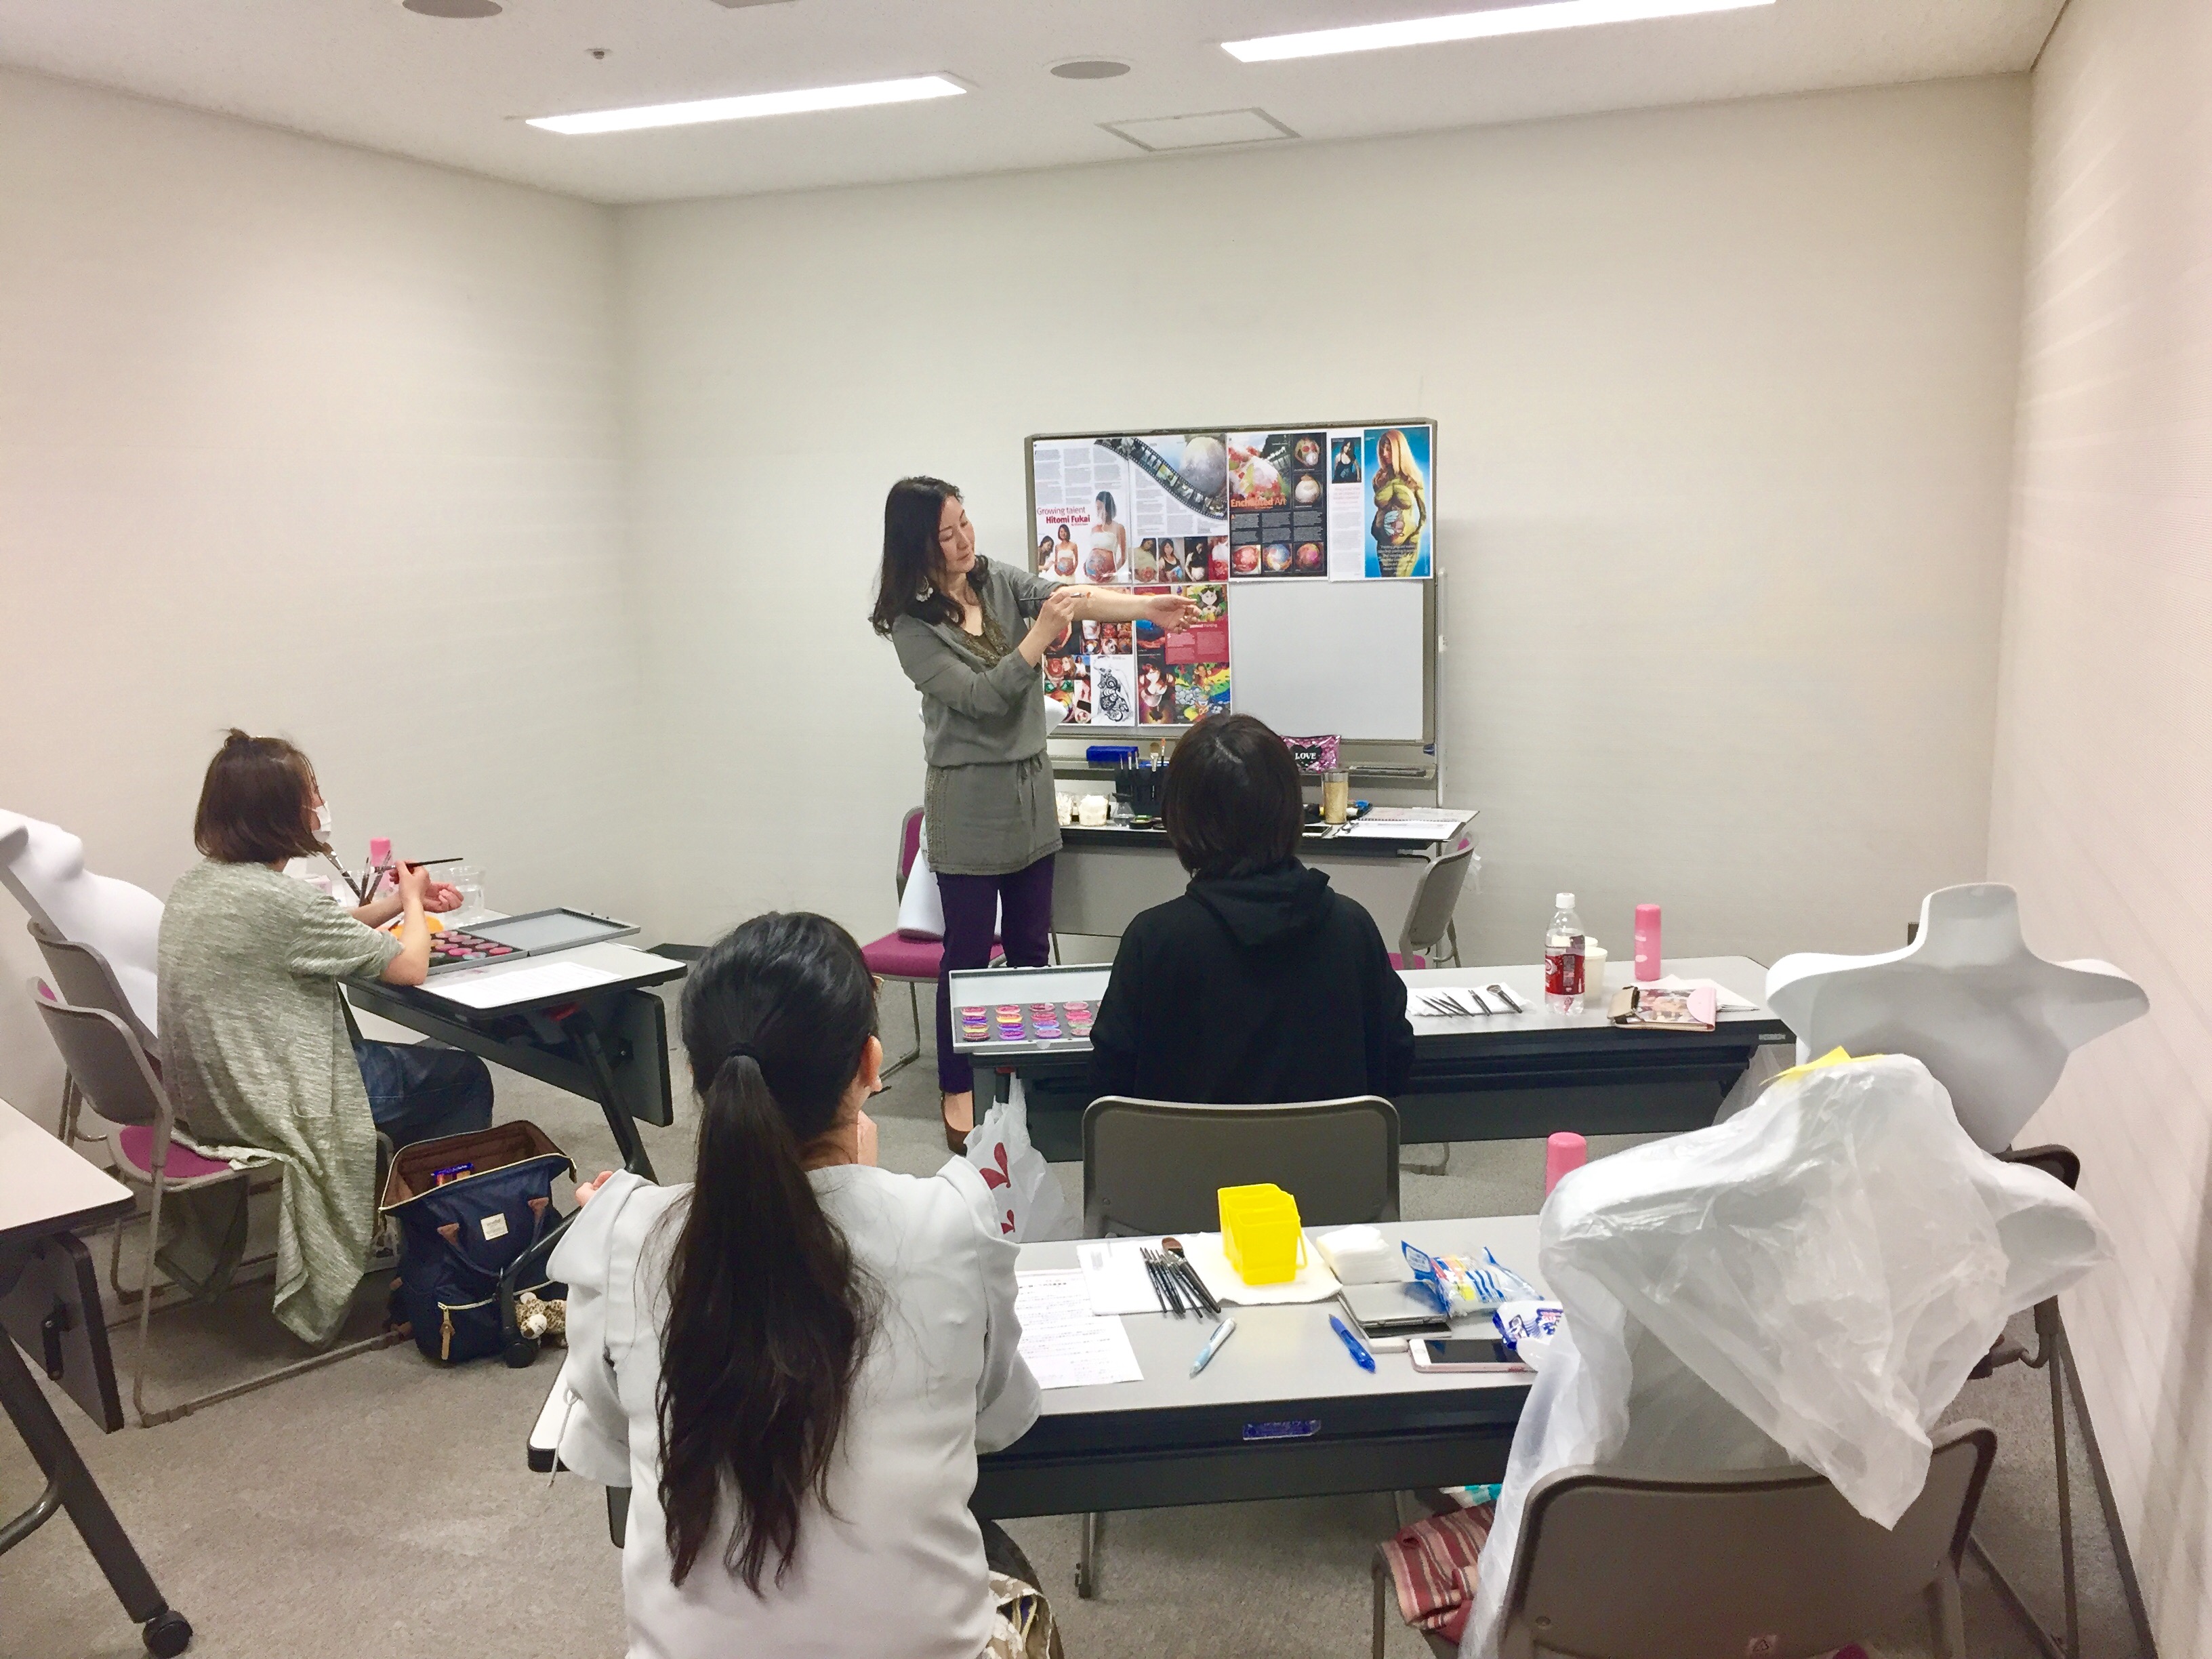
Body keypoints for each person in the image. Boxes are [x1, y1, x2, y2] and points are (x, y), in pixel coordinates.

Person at [552, 913, 1057, 1659]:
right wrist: (865, 1185)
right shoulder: (953, 1220)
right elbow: (991, 1409)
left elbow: (607, 1432)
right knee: (1005, 1574)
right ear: (871, 1064)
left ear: (700, 1078)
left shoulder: (627, 1237)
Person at [871, 474, 1193, 1149]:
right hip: (968, 803)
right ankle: (957, 1084)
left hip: (1030, 794)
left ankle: (1026, 1074)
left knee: (1028, 950)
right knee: (966, 957)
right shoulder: (911, 627)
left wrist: (1146, 608)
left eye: (964, 523)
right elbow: (981, 699)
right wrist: (1039, 638)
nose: (964, 541)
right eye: (946, 535)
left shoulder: (994, 580)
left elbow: (1070, 596)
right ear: (916, 546)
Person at [157, 730, 493, 1345]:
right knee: (463, 1076)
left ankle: (407, 1220)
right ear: (281, 813)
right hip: (282, 1102)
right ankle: (438, 1259)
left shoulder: (200, 885)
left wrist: (398, 904)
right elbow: (410, 967)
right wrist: (413, 902)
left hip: (214, 1097)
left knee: (432, 1063)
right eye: (311, 794)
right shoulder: (279, 902)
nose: (319, 805)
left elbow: (321, 928)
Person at [1088, 714, 1414, 1105]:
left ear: (1179, 818)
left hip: (1182, 1149)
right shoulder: (1352, 929)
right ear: (1291, 810)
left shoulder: (1156, 940)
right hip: (1330, 1149)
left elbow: (1111, 1085)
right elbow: (1393, 1065)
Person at [1085, 490, 1128, 581]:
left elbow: (1124, 557)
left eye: (1101, 508)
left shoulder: (1119, 528)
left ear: (1108, 508)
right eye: (1097, 508)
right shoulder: (1094, 528)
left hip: (1109, 579)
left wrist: (1113, 572)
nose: (1099, 512)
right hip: (1091, 577)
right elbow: (1093, 552)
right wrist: (1086, 564)